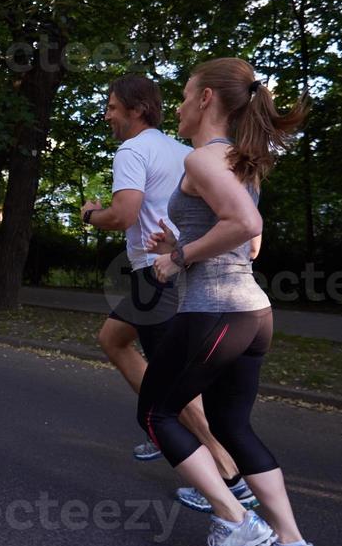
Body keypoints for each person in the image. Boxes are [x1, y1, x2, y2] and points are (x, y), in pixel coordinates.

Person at [140, 58, 324, 546]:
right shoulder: (243, 163)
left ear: (205, 100)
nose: (175, 106)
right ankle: (293, 545)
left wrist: (177, 258)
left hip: (214, 310)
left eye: (182, 94)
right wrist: (184, 245)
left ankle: (235, 518)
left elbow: (245, 224)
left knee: (156, 415)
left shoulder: (203, 159)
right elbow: (252, 244)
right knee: (231, 424)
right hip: (253, 314)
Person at [80, 75, 259, 515]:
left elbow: (123, 215)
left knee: (173, 391)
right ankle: (170, 428)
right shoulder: (184, 152)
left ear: (137, 109)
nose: (107, 117)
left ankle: (227, 474)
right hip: (174, 271)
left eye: (112, 107)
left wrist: (89, 214)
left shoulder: (132, 150)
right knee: (113, 339)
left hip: (159, 275)